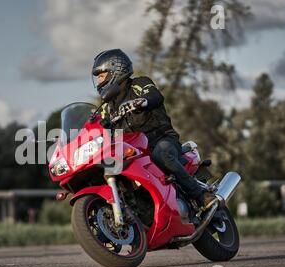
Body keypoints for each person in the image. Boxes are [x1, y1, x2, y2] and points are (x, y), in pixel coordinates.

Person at [91, 48, 216, 210]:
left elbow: (155, 96)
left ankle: (201, 196)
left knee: (161, 153)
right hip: (135, 152)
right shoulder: (106, 107)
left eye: (101, 75)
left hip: (161, 139)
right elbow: (98, 125)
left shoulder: (139, 84)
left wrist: (141, 102)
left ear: (116, 69)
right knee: (108, 167)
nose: (99, 81)